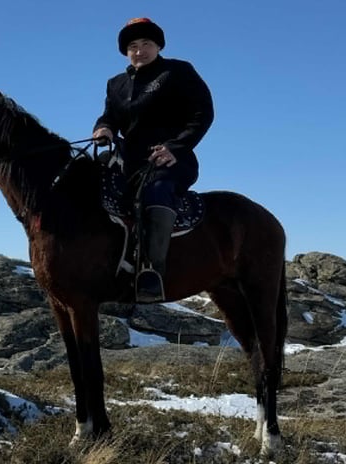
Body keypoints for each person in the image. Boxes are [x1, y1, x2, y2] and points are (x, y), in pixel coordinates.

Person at [92, 17, 214, 302]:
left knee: (156, 192)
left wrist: (175, 147)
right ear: (125, 52)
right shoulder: (116, 84)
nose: (139, 50)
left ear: (158, 45)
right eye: (132, 46)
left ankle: (151, 273)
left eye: (146, 43)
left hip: (170, 159)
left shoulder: (178, 71)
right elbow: (109, 115)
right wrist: (104, 128)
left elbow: (202, 114)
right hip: (126, 160)